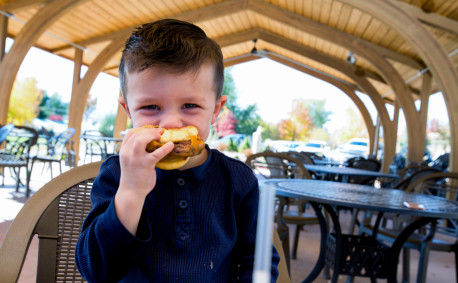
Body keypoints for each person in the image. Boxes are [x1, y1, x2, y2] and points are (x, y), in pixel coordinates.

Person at [75, 19, 279, 282]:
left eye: (190, 105)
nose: (170, 122)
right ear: (128, 111)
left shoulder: (239, 181)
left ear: (216, 109)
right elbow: (97, 271)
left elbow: (259, 261)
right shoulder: (116, 174)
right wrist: (131, 192)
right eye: (150, 107)